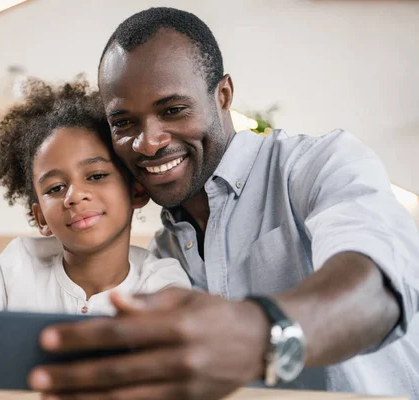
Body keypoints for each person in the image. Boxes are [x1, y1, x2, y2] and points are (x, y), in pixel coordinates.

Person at [25, 7, 419, 400]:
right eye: (124, 123)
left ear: (224, 95)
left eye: (173, 110)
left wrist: (257, 333)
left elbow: (377, 289)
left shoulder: (318, 165)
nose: (149, 141)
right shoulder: (166, 253)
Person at [0, 78, 191, 385]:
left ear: (137, 190)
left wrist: (10, 350)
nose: (74, 196)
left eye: (97, 175)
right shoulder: (16, 265)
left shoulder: (160, 280)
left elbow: (167, 363)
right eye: (56, 187)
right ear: (40, 217)